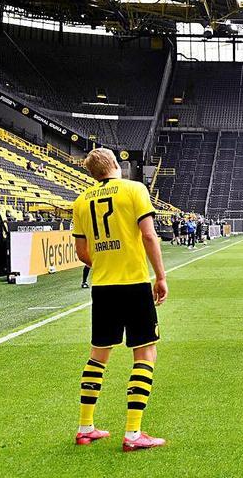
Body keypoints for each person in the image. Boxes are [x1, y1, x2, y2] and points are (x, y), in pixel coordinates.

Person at [70, 148, 168, 451]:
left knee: (98, 355)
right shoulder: (134, 189)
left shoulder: (81, 201)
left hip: (102, 286)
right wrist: (161, 276)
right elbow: (149, 236)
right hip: (134, 283)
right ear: (115, 164)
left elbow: (81, 253)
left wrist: (104, 262)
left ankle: (85, 427)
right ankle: (134, 433)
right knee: (145, 354)